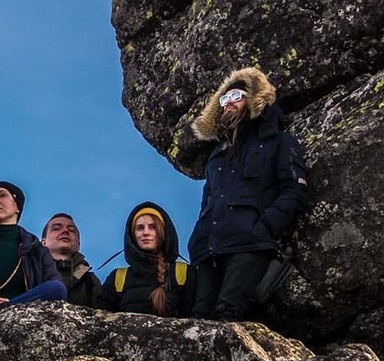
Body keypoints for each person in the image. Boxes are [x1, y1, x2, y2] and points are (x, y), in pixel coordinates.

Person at [185, 67, 308, 321]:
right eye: (224, 100)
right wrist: (198, 237)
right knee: (198, 319)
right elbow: (207, 201)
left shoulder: (277, 141)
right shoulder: (217, 155)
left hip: (249, 245)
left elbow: (295, 189)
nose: (229, 103)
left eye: (236, 97)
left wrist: (263, 227)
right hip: (209, 250)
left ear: (253, 99)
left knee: (228, 315)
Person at [105, 201, 191, 316]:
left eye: (153, 227)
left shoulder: (184, 273)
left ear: (163, 232)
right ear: (132, 235)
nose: (146, 232)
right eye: (140, 228)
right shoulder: (117, 278)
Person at [40, 213, 104, 308]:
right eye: (56, 228)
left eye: (72, 230)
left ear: (78, 244)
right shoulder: (29, 271)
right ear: (43, 242)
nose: (65, 231)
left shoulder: (90, 281)